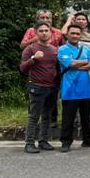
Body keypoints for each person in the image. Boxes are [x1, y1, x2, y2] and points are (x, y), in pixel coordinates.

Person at [56, 25, 90, 151]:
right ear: (67, 35)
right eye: (72, 33)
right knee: (68, 118)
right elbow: (70, 64)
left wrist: (77, 64)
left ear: (81, 35)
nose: (75, 35)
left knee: (86, 118)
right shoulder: (62, 49)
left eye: (77, 33)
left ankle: (88, 140)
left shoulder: (86, 49)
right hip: (69, 89)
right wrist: (83, 62)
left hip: (85, 88)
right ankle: (66, 142)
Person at [19, 21, 59, 153]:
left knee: (47, 115)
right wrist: (33, 59)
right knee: (33, 116)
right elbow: (22, 68)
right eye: (41, 31)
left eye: (46, 30)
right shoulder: (30, 49)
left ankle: (43, 141)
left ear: (50, 33)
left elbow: (57, 69)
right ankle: (29, 143)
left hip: (52, 88)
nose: (44, 33)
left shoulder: (54, 50)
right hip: (36, 87)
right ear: (36, 33)